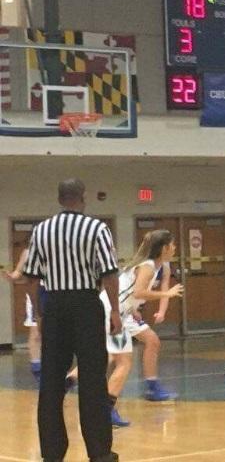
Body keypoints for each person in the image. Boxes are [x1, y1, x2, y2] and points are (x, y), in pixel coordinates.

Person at [23, 179, 120, 462]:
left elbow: (30, 279)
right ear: (83, 197)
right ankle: (99, 453)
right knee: (93, 381)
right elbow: (110, 274)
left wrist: (41, 313)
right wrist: (114, 310)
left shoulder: (41, 230)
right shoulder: (97, 228)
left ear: (59, 197)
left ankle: (52, 453)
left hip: (55, 305)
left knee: (51, 383)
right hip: (86, 305)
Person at [68, 230, 184, 427]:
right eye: (172, 245)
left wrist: (133, 308)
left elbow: (132, 293)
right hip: (112, 313)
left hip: (116, 312)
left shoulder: (153, 265)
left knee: (113, 357)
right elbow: (139, 291)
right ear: (164, 248)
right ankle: (107, 409)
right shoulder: (147, 267)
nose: (174, 248)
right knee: (123, 361)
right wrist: (168, 294)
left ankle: (71, 381)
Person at [2, 248, 42, 383]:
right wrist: (10, 276)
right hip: (37, 295)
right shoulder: (27, 253)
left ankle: (59, 369)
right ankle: (37, 369)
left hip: (58, 294)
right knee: (36, 333)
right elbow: (17, 273)